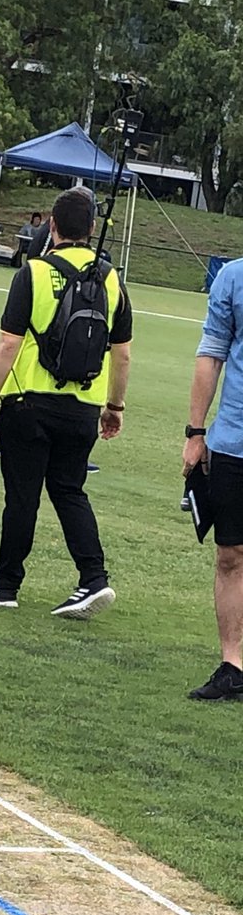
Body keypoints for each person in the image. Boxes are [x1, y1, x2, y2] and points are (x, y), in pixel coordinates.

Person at [0, 186, 132, 617]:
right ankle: (93, 578)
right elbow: (123, 352)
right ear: (93, 229)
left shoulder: (33, 273)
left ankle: (6, 585)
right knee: (69, 489)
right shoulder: (112, 279)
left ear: (51, 225)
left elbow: (8, 344)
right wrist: (114, 407)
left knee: (22, 496)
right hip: (84, 407)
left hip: (29, 403)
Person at [183, 259, 243, 700]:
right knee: (231, 555)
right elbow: (211, 354)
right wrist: (196, 431)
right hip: (234, 441)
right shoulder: (233, 277)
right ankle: (233, 666)